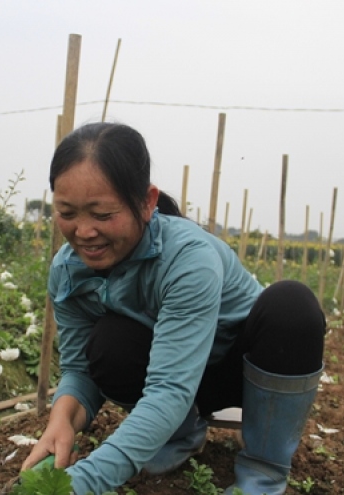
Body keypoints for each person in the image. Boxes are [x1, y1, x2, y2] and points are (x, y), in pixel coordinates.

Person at [21, 122, 326, 495]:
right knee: (109, 343)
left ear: (148, 202)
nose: (84, 232)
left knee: (292, 308)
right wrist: (62, 417)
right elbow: (79, 370)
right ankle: (178, 433)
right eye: (67, 213)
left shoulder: (187, 257)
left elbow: (170, 388)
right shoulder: (68, 271)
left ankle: (263, 472)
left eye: (102, 215)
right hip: (172, 376)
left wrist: (81, 484)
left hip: (239, 372)